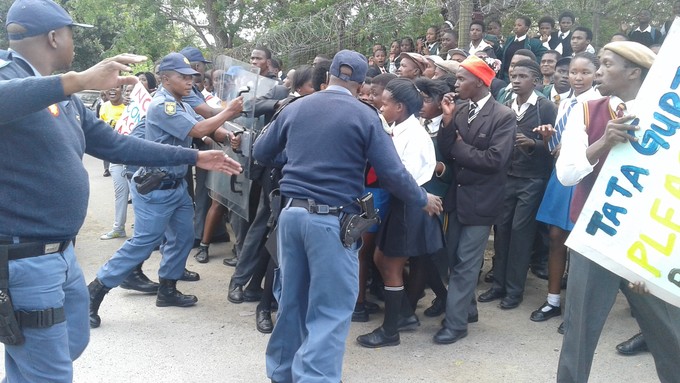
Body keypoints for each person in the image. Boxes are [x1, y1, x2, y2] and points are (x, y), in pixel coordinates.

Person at [0, 1, 242, 381]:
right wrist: (79, 81)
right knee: (48, 369)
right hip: (25, 256)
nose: (73, 44)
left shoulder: (61, 96)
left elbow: (118, 145)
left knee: (67, 344)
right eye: (71, 34)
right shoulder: (13, 78)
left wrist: (195, 158)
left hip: (61, 252)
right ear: (53, 37)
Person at [253, 49, 442, 383]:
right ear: (360, 84)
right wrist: (421, 197)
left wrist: (298, 156)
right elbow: (394, 173)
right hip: (331, 221)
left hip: (292, 215)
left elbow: (261, 151)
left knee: (292, 301)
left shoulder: (297, 107)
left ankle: (282, 374)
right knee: (330, 309)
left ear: (327, 79)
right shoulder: (366, 116)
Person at [88, 52, 245, 328]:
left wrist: (224, 134)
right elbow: (197, 130)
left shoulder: (180, 102)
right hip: (156, 186)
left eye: (191, 77)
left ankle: (167, 289)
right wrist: (230, 112)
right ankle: (96, 290)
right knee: (144, 242)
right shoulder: (164, 105)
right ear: (165, 78)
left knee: (183, 237)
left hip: (175, 185)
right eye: (183, 77)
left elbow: (201, 130)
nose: (189, 81)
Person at [555, 41, 680, 382]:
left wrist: (659, 259)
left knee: (671, 337)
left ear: (633, 72)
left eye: (607, 64)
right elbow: (566, 174)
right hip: (596, 240)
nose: (597, 71)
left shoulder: (670, 122)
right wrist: (604, 143)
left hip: (647, 246)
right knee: (578, 335)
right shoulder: (585, 110)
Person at [434, 55, 516, 344]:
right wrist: (446, 121)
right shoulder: (460, 109)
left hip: (483, 202)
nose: (456, 84)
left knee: (467, 263)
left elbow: (495, 159)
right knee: (455, 258)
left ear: (479, 82)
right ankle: (467, 308)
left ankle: (455, 325)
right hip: (458, 198)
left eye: (461, 79)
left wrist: (457, 145)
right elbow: (446, 148)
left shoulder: (503, 116)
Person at [356, 77, 442, 348]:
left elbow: (402, 177)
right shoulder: (399, 128)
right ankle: (403, 314)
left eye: (386, 103)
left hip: (409, 205)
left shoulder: (414, 136)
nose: (381, 106)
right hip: (401, 204)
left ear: (401, 107)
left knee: (390, 264)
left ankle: (390, 330)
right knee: (382, 259)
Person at [478, 59, 556, 310]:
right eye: (513, 75)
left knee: (521, 234)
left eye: (522, 76)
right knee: (502, 231)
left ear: (535, 80)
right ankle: (498, 284)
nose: (515, 79)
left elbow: (556, 146)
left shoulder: (545, 108)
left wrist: (534, 144)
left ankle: (514, 290)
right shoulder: (505, 105)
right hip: (506, 177)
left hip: (532, 180)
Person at [530, 52, 600, 324]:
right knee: (556, 237)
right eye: (573, 72)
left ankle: (577, 312)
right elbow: (555, 150)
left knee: (581, 246)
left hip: (585, 177)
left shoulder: (599, 104)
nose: (578, 77)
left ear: (596, 75)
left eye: (585, 72)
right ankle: (553, 301)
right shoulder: (565, 102)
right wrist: (549, 139)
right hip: (561, 176)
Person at [501, 17, 547, 81]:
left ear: (526, 28)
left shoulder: (533, 43)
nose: (516, 27)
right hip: (506, 76)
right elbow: (502, 55)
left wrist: (530, 62)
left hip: (522, 77)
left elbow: (544, 55)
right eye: (515, 25)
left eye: (519, 25)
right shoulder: (509, 40)